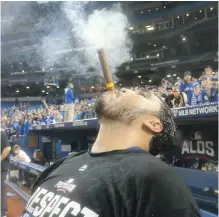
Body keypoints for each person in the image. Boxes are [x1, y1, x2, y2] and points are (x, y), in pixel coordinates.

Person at [22, 88, 201, 217]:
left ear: (153, 124)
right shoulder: (66, 163)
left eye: (143, 95)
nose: (125, 89)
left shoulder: (156, 178)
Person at [1, 128, 11, 217]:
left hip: (2, 167)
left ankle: (3, 212)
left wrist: (0, 158)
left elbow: (8, 148)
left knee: (2, 190)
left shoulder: (1, 134)